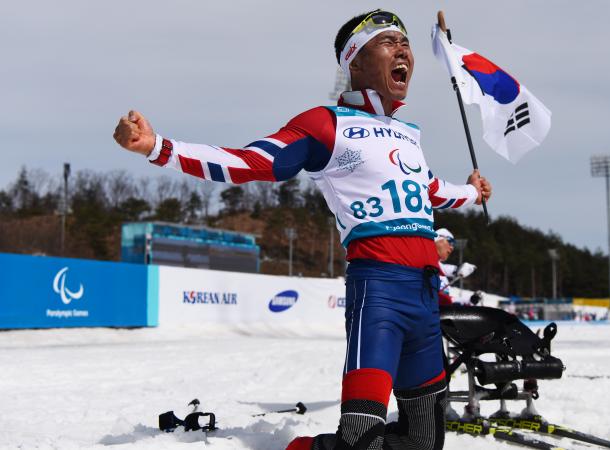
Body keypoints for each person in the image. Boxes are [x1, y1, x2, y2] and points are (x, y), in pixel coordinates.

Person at [112, 9, 492, 450]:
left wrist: (470, 193)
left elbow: (428, 190)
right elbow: (252, 162)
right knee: (361, 442)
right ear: (355, 63)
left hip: (425, 297)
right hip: (380, 292)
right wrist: (158, 148)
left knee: (425, 442)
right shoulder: (325, 124)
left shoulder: (407, 134)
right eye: (388, 42)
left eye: (404, 42)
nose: (403, 48)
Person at [433, 228, 475, 306]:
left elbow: (447, 300)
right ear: (437, 239)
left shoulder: (442, 276)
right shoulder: (421, 260)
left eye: (453, 245)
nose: (452, 248)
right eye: (450, 242)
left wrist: (470, 300)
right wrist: (456, 270)